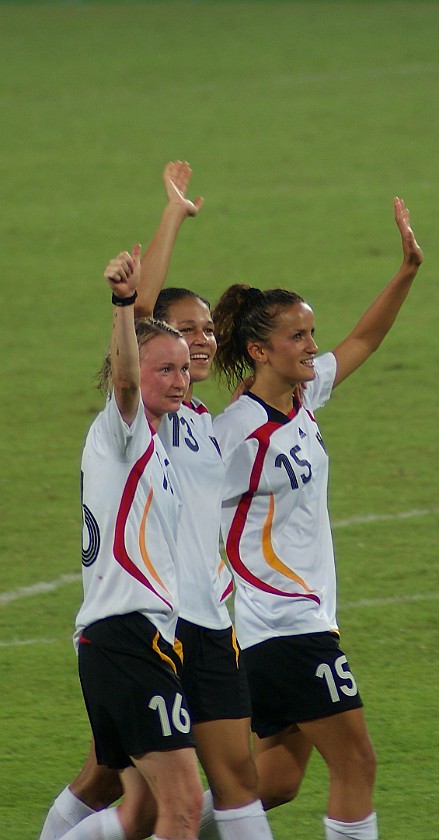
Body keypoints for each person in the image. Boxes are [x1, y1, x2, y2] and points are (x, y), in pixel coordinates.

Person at [39, 163, 274, 840]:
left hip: (186, 624)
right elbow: (135, 337)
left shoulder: (200, 421)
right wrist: (166, 225)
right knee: (148, 794)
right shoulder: (138, 423)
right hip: (139, 627)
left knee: (152, 799)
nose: (196, 345)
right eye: (181, 337)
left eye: (205, 333)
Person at [210, 197, 423, 840]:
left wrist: (407, 270)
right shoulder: (237, 435)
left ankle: (156, 828)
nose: (312, 345)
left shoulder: (301, 394)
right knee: (357, 762)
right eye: (297, 336)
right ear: (259, 350)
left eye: (310, 332)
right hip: (282, 620)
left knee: (274, 783)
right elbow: (181, 506)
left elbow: (362, 339)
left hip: (291, 619)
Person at [73, 244, 202, 840]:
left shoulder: (152, 443)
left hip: (133, 639)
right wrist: (124, 303)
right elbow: (126, 376)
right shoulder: (120, 431)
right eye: (165, 370)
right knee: (181, 806)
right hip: (126, 638)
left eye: (183, 368)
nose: (179, 381)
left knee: (144, 811)